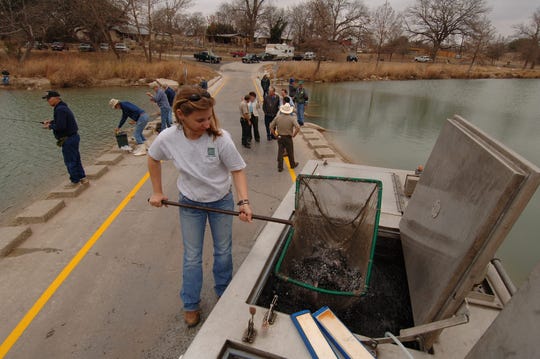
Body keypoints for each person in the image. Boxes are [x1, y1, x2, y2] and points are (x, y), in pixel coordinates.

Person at [147, 85, 253, 328]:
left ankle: (224, 292)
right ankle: (191, 303)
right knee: (192, 257)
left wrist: (244, 201)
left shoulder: (220, 138)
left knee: (223, 251)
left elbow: (237, 169)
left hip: (221, 200)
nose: (207, 124)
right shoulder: (168, 138)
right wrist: (157, 191)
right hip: (190, 203)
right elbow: (153, 158)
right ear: (181, 115)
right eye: (200, 120)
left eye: (209, 118)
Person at [41, 90, 88, 187]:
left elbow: (61, 126)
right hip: (73, 137)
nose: (48, 101)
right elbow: (61, 121)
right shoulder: (62, 107)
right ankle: (82, 177)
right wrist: (51, 122)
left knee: (70, 161)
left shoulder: (60, 109)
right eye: (47, 99)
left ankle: (75, 181)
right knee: (76, 159)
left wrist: (49, 126)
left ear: (56, 98)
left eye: (49, 99)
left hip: (68, 139)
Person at [269, 103, 300, 172]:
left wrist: (274, 134)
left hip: (280, 136)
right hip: (288, 137)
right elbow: (298, 127)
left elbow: (271, 126)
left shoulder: (278, 117)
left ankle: (280, 167)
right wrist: (294, 134)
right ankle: (292, 164)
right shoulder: (292, 118)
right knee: (290, 151)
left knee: (280, 151)